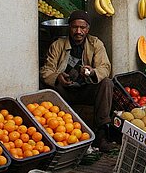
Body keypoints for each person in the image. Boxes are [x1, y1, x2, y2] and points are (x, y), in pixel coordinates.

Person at [40, 10, 115, 151]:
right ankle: (58, 134)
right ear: (69, 27)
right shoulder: (58, 45)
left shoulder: (95, 44)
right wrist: (58, 77)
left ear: (88, 29)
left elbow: (105, 67)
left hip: (86, 89)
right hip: (64, 91)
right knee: (47, 86)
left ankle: (101, 134)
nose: (78, 31)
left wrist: (92, 72)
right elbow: (46, 70)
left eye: (82, 28)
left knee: (107, 83)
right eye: (75, 27)